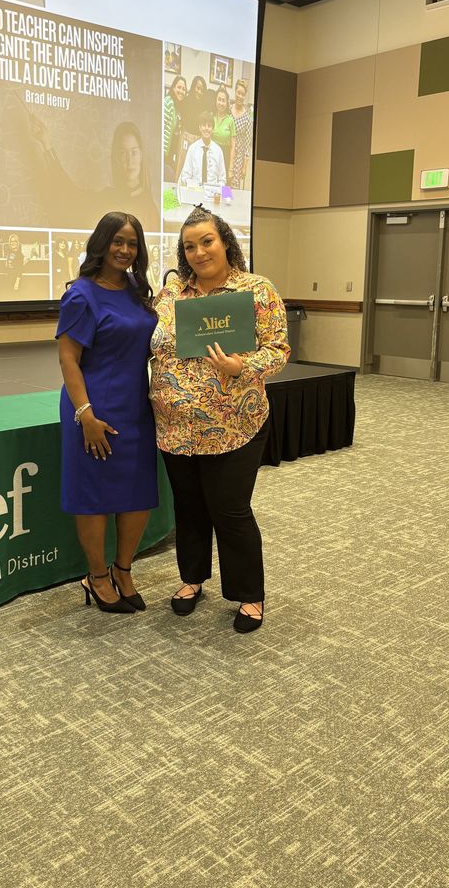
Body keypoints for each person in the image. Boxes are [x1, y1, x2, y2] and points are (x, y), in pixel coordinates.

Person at [149, 207, 289, 632]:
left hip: (234, 425)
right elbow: (154, 343)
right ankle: (192, 579)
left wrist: (241, 367)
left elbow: (278, 350)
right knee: (189, 509)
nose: (198, 252)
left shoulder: (256, 290)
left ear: (225, 241)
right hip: (175, 426)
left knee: (229, 510)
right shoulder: (172, 294)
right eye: (189, 246)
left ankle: (250, 594)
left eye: (206, 241)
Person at [56, 212, 158, 613]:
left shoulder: (135, 289)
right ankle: (96, 576)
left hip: (135, 408)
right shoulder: (80, 295)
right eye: (117, 241)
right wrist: (85, 415)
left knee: (137, 496)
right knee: (94, 498)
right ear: (102, 243)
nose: (125, 250)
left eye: (132, 243)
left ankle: (123, 570)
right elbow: (67, 359)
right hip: (92, 411)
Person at [179, 110, 226, 188]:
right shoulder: (192, 149)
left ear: (213, 129)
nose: (206, 128)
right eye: (204, 125)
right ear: (199, 128)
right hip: (195, 192)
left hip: (213, 194)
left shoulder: (218, 151)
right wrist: (194, 187)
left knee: (228, 197)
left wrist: (217, 192)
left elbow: (222, 180)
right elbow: (185, 177)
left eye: (209, 126)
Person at [230, 78, 253, 190]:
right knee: (223, 183)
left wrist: (244, 167)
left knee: (231, 190)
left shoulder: (247, 118)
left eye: (243, 94)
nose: (240, 96)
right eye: (238, 92)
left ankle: (228, 206)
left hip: (238, 158)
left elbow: (247, 145)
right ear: (235, 92)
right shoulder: (228, 110)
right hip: (226, 151)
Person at [163, 74, 186, 179]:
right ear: (173, 88)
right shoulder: (168, 102)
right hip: (163, 153)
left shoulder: (177, 107)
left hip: (169, 154)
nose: (181, 91)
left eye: (184, 89)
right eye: (179, 87)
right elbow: (160, 128)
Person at [212, 84, 236, 175]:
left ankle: (226, 190)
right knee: (212, 184)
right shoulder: (211, 118)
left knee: (226, 188)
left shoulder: (231, 121)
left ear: (227, 103)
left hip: (225, 156)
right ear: (215, 100)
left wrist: (230, 168)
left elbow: (233, 147)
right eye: (219, 99)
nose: (221, 103)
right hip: (212, 155)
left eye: (223, 100)